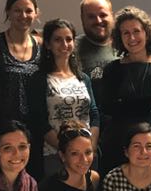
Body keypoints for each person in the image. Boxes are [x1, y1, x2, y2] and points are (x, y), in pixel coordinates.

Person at [97, 6, 151, 174]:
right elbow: (108, 106)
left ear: (146, 32)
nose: (131, 37)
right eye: (125, 33)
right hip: (117, 142)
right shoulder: (112, 69)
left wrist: (123, 103)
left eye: (136, 31)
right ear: (119, 37)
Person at [28, 18, 100, 180]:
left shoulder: (84, 78)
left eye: (68, 39)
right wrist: (67, 151)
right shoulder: (39, 79)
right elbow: (39, 121)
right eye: (58, 40)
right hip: (55, 155)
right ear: (47, 44)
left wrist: (89, 147)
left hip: (87, 156)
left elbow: (94, 113)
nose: (64, 44)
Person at [0, 0, 42, 125]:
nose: (23, 15)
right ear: (8, 12)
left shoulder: (42, 48)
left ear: (36, 14)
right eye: (17, 10)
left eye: (29, 11)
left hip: (35, 129)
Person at [76, 0, 118, 80]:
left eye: (103, 15)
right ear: (82, 18)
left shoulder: (127, 45)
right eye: (91, 17)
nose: (98, 21)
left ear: (112, 16)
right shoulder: (70, 49)